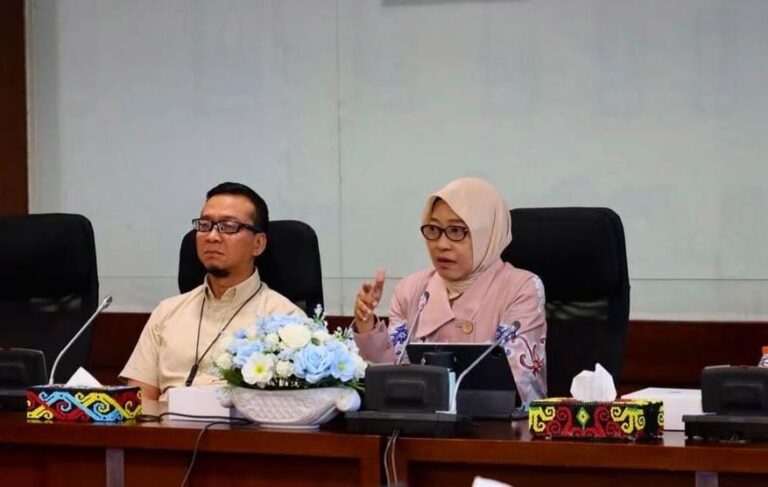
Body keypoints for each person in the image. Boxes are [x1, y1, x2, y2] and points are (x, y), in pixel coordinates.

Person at [353, 177, 547, 404]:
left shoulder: (521, 288)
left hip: (498, 424)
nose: (441, 244)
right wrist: (366, 325)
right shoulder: (411, 290)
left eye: (456, 231)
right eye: (434, 229)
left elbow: (516, 387)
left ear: (486, 234)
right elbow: (390, 382)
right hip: (421, 422)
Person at [121, 182, 304, 401]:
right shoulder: (167, 312)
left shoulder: (288, 321)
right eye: (205, 225)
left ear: (258, 244)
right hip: (166, 421)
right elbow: (138, 402)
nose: (212, 236)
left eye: (228, 226)